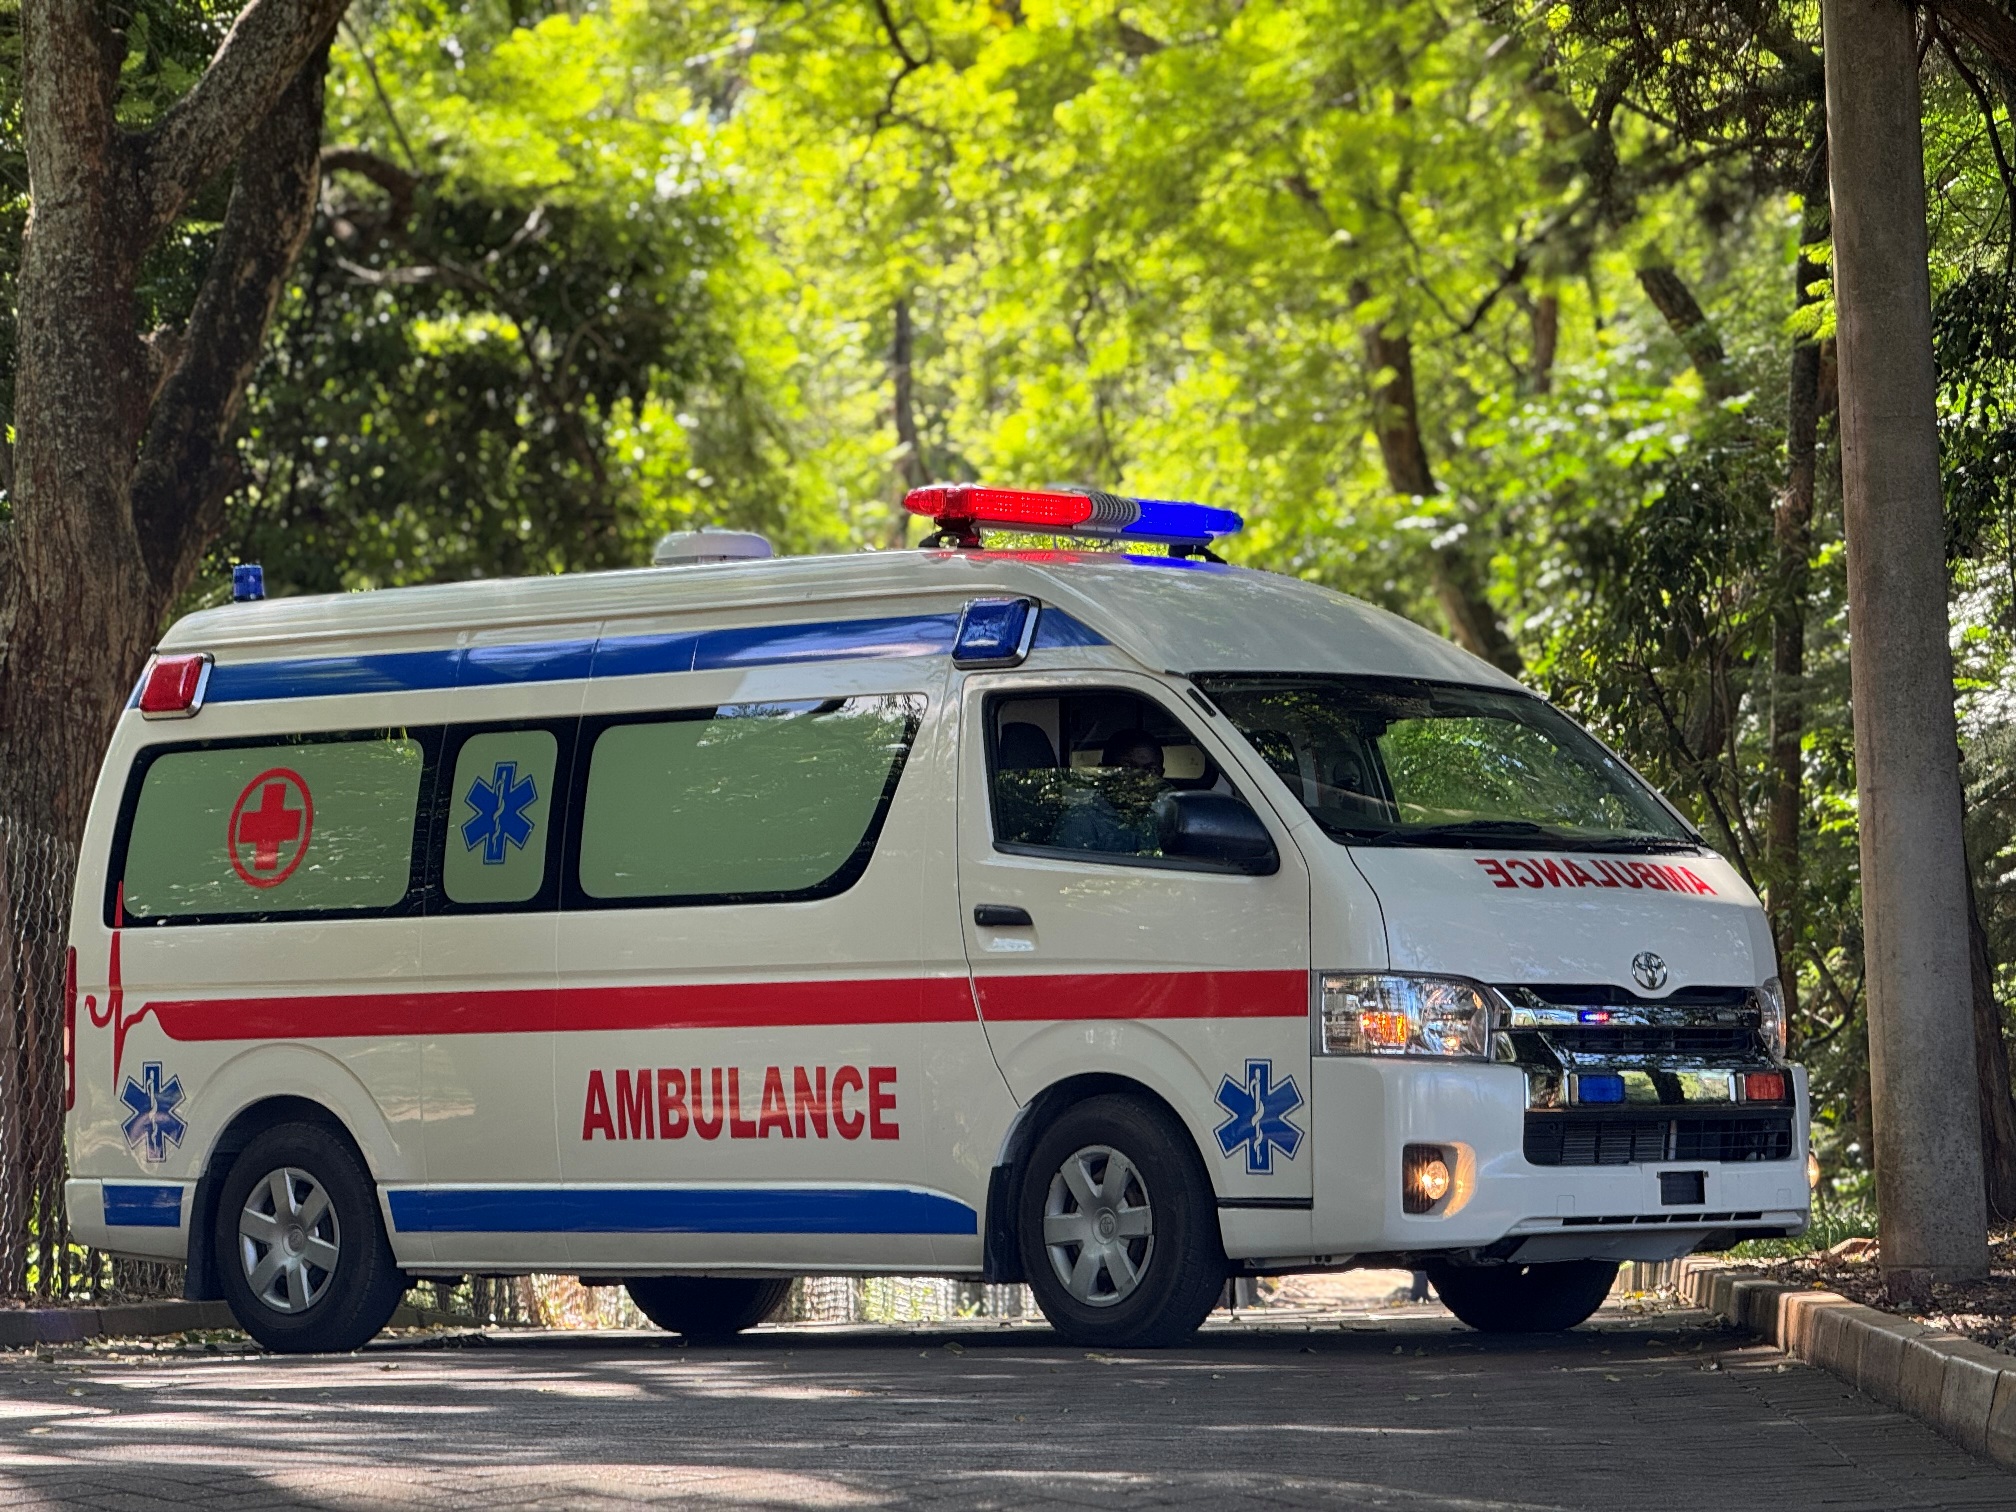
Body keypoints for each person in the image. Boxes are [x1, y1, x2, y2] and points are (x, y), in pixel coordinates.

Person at [1052, 730, 1166, 854]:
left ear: (1162, 774)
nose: (1140, 779)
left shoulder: (1163, 820)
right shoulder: (1080, 822)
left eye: (1151, 770)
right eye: (1127, 769)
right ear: (1104, 772)